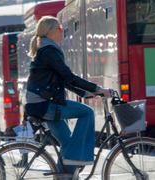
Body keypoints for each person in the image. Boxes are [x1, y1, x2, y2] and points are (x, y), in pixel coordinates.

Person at [25, 16, 111, 176]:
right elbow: (69, 77)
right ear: (51, 31)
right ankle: (80, 158)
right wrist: (98, 88)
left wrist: (88, 93)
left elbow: (64, 80)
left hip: (41, 104)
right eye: (60, 28)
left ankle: (65, 175)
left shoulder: (46, 48)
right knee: (87, 113)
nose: (62, 31)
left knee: (67, 144)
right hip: (44, 104)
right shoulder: (49, 51)